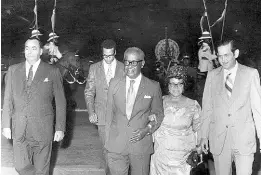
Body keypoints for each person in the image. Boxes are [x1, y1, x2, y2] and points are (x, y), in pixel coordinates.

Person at [2, 37, 66, 175]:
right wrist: (6, 124)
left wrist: (60, 128)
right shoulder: (13, 70)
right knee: (20, 167)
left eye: (34, 48)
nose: (29, 51)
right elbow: (7, 99)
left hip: (43, 130)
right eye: (27, 48)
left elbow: (61, 102)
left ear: (41, 51)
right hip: (19, 129)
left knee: (42, 170)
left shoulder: (52, 71)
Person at [200, 38, 261, 175]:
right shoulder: (212, 76)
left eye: (226, 55)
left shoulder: (251, 74)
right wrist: (203, 135)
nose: (223, 60)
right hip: (219, 140)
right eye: (220, 56)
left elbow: (258, 110)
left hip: (244, 140)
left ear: (236, 53)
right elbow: (207, 108)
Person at [105, 47, 164, 175]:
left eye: (133, 62)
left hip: (141, 146)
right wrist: (107, 143)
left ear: (142, 63)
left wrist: (147, 130)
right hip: (116, 146)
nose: (128, 66)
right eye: (126, 62)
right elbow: (109, 114)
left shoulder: (153, 86)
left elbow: (158, 114)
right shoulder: (114, 84)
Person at [150, 65, 201, 175]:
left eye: (179, 84)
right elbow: (150, 126)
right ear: (167, 85)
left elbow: (199, 131)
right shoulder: (159, 102)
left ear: (184, 85)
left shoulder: (193, 105)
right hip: (161, 159)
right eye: (172, 84)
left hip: (183, 160)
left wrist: (198, 150)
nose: (175, 87)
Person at [84, 39, 125, 173]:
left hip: (120, 117)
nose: (107, 59)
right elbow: (89, 92)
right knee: (107, 149)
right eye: (105, 56)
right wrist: (91, 112)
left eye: (110, 55)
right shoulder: (94, 68)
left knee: (120, 149)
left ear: (115, 53)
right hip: (101, 117)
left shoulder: (123, 68)